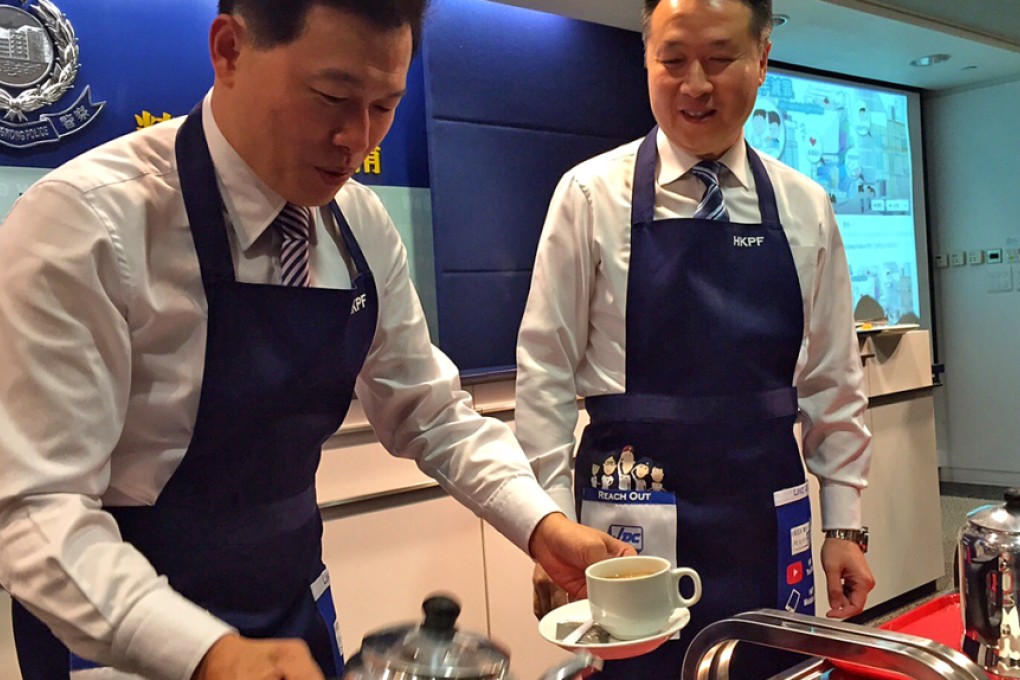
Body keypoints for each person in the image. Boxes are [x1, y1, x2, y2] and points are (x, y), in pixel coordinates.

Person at [0, 2, 634, 680]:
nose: (355, 139)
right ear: (229, 50)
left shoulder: (357, 223)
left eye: (384, 107)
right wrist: (208, 654)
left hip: (291, 607)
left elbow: (431, 412)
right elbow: (37, 508)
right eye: (331, 97)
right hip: (124, 636)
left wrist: (542, 526)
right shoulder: (87, 223)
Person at [515, 0, 875, 677]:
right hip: (629, 522)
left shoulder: (805, 205)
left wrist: (844, 524)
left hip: (767, 510)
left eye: (719, 58)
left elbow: (833, 378)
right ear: (646, 59)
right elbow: (545, 377)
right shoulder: (589, 195)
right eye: (673, 60)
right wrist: (550, 522)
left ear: (762, 59)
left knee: (775, 669)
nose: (696, 85)